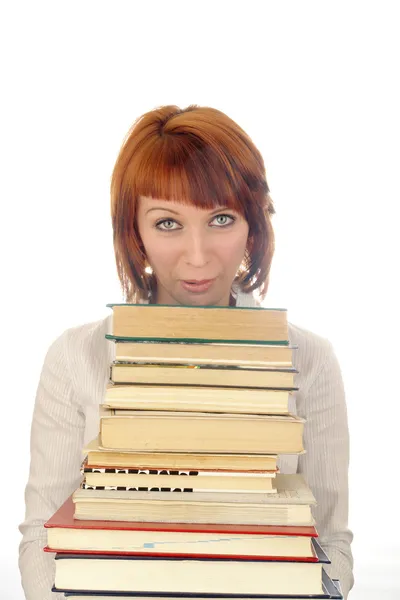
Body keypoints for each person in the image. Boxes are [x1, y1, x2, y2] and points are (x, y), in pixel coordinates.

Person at [18, 104, 354, 599]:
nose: (198, 256)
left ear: (253, 225)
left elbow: (331, 547)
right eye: (168, 224)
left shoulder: (310, 359)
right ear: (135, 231)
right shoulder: (75, 357)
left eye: (221, 218)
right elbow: (41, 542)